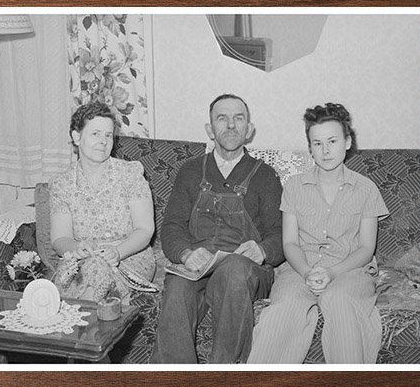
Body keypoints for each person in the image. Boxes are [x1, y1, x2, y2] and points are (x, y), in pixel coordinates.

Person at [248, 102, 388, 365]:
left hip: (349, 270)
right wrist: (306, 272)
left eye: (332, 141)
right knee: (285, 306)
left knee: (339, 299)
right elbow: (289, 242)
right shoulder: (294, 187)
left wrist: (333, 273)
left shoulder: (366, 189)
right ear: (310, 147)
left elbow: (366, 248)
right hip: (301, 269)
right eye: (317, 143)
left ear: (347, 142)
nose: (325, 151)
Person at [151, 94, 283, 364]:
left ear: (249, 129)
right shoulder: (189, 171)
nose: (231, 125)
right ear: (210, 129)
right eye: (222, 118)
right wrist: (186, 254)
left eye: (239, 118)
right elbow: (172, 226)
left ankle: (225, 378)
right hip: (198, 268)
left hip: (246, 271)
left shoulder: (265, 175)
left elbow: (281, 233)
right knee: (176, 286)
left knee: (233, 270)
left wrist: (263, 250)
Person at [48, 101, 157, 302]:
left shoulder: (130, 174)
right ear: (76, 137)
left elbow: (144, 229)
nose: (104, 141)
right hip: (83, 260)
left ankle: (83, 323)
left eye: (108, 135)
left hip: (129, 257)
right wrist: (76, 248)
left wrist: (118, 252)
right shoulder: (61, 184)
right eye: (95, 134)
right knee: (90, 268)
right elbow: (60, 238)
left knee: (97, 270)